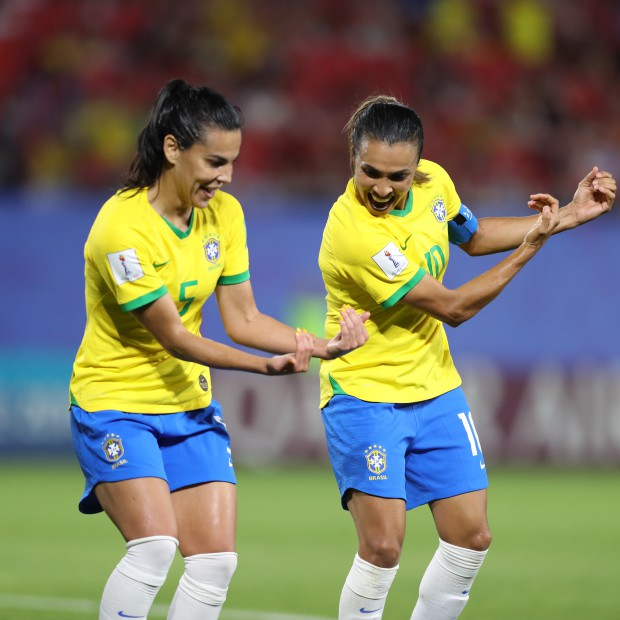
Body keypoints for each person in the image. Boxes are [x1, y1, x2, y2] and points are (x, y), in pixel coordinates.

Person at [68, 78, 369, 620]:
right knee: (155, 548)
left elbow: (245, 318)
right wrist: (263, 367)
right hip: (115, 403)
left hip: (187, 407)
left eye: (231, 161)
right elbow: (176, 338)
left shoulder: (224, 214)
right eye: (213, 161)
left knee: (213, 564)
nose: (225, 176)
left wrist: (322, 347)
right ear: (172, 148)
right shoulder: (121, 229)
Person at [317, 95, 616, 619]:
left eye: (399, 175)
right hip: (364, 395)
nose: (384, 188)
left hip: (435, 388)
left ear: (418, 167)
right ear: (352, 158)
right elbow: (452, 308)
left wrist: (567, 215)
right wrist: (531, 249)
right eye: (371, 173)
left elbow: (473, 238)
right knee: (383, 548)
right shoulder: (354, 232)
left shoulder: (435, 182)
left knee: (471, 538)